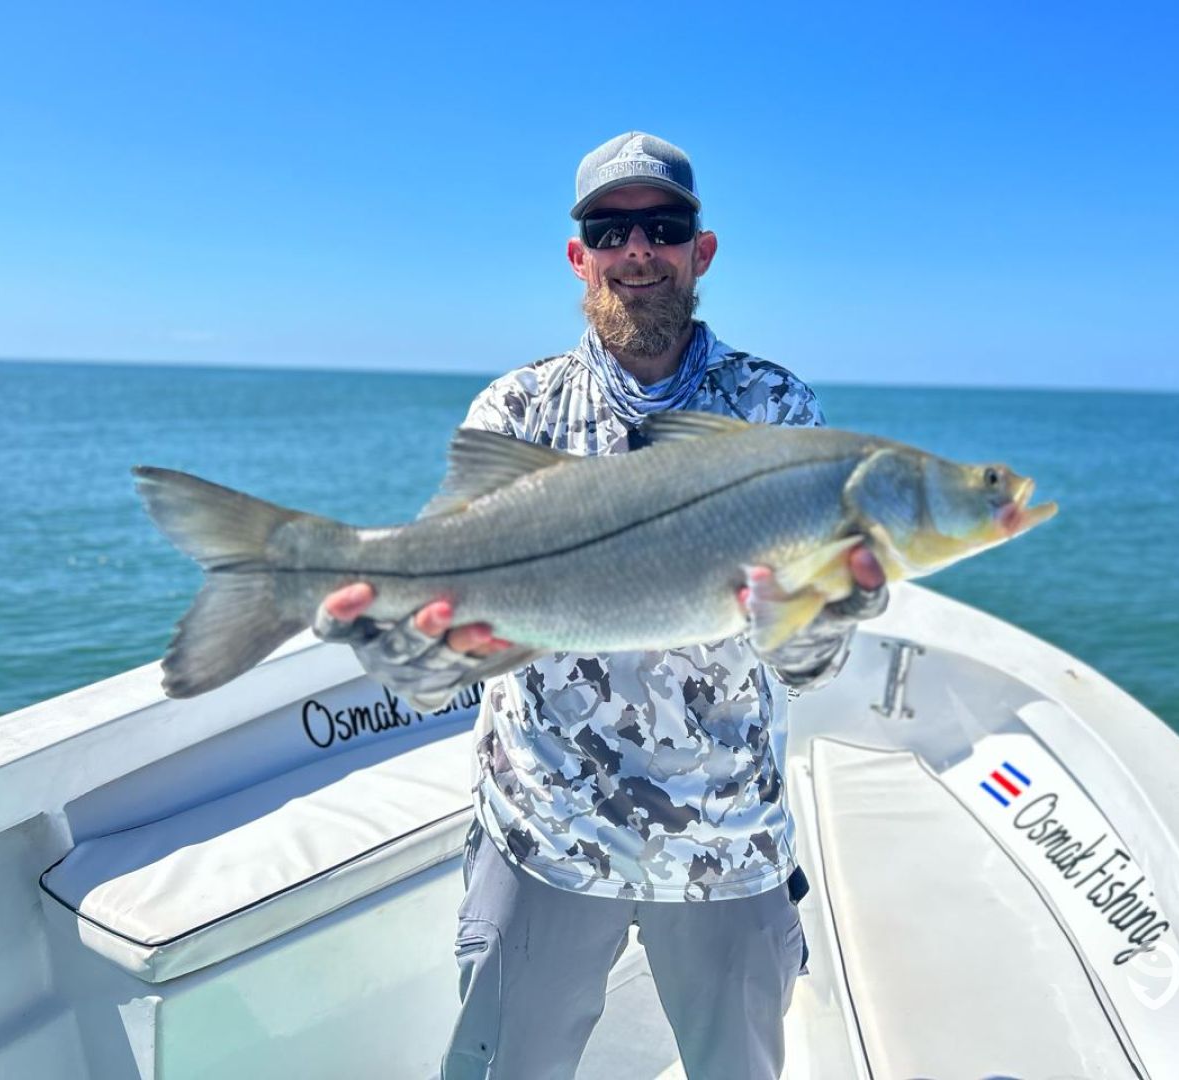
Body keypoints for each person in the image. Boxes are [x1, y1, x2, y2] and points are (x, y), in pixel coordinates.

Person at [314, 132, 887, 1080]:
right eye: (609, 229)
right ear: (579, 257)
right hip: (541, 835)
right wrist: (406, 645)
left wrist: (828, 608)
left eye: (662, 226)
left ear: (700, 251)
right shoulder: (517, 408)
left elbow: (808, 662)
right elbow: (446, 658)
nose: (637, 249)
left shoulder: (776, 411)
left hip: (726, 843)